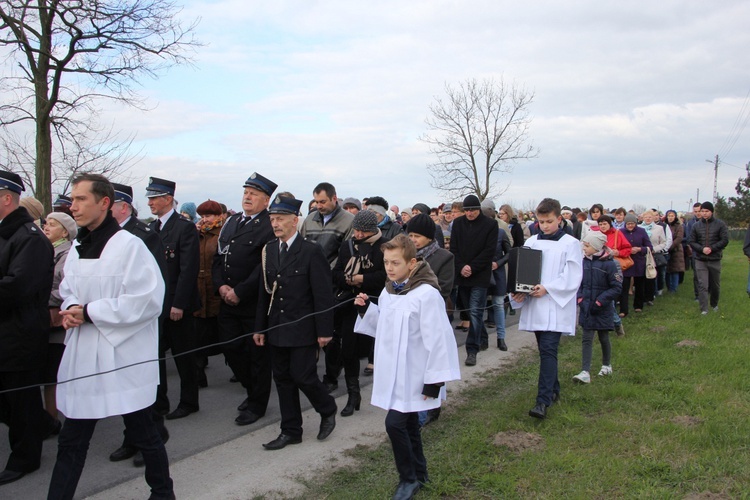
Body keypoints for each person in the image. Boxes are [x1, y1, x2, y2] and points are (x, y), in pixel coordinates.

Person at [47, 173, 173, 500]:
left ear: (104, 203)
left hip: (123, 356)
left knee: (145, 435)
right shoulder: (77, 248)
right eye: (72, 199)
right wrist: (73, 305)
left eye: (80, 199)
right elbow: (70, 287)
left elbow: (148, 299)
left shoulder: (130, 246)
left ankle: (163, 494)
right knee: (72, 440)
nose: (72, 206)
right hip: (84, 355)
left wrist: (90, 312)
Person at [353, 234, 461, 500]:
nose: (389, 268)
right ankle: (420, 473)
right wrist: (367, 309)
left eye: (395, 263)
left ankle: (408, 478)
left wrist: (435, 380)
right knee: (409, 423)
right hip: (394, 374)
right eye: (386, 262)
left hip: (416, 374)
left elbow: (439, 339)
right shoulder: (389, 291)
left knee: (395, 424)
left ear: (412, 263)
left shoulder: (426, 294)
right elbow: (385, 328)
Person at [254, 195, 337, 450]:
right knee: (282, 378)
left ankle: (327, 407)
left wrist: (324, 330)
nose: (275, 224)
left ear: (294, 220)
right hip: (277, 325)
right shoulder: (269, 250)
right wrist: (260, 327)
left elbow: (323, 294)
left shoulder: (311, 251)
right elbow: (264, 291)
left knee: (303, 376)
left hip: (302, 327)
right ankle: (291, 430)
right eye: (272, 219)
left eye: (280, 219)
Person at [108, 182, 169, 466]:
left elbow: (155, 283)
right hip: (115, 318)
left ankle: (153, 436)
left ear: (123, 207)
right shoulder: (105, 237)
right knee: (124, 383)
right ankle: (131, 437)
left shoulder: (142, 235)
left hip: (141, 322)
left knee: (144, 383)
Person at [0, 171, 54, 486]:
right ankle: (42, 424)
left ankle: (25, 457)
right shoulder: (8, 235)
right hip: (6, 330)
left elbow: (17, 287)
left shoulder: (29, 238)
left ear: (7, 198)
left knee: (19, 399)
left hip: (20, 332)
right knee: (11, 401)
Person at [213, 173, 277, 426]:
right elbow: (219, 258)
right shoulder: (231, 223)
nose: (247, 197)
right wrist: (221, 286)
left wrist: (239, 291)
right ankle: (252, 391)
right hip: (227, 299)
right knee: (231, 349)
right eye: (245, 193)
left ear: (266, 200)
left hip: (252, 302)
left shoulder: (269, 225)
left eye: (254, 194)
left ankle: (257, 403)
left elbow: (263, 266)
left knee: (257, 356)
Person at [510, 198, 582, 420]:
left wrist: (548, 289)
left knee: (549, 350)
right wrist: (519, 289)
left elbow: (572, 276)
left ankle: (542, 402)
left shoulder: (570, 243)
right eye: (541, 221)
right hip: (537, 305)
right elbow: (524, 271)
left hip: (556, 305)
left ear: (559, 219)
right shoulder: (532, 242)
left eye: (549, 221)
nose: (545, 226)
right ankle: (554, 389)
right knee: (545, 351)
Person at [147, 177, 201, 420]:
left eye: (154, 198)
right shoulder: (152, 228)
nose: (150, 203)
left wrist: (178, 304)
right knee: (157, 355)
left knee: (183, 356)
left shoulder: (183, 227)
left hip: (178, 304)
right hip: (157, 306)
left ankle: (189, 401)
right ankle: (160, 402)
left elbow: (188, 269)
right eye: (149, 198)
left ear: (168, 199)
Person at [331, 210, 387, 417]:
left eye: (363, 231)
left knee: (377, 350)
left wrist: (361, 279)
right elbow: (336, 272)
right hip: (350, 304)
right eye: (356, 229)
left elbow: (385, 276)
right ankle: (353, 395)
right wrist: (347, 279)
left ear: (373, 230)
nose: (359, 234)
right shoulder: (347, 246)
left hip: (375, 304)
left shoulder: (384, 246)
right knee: (348, 352)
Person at [300, 182, 354, 392]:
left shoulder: (348, 221)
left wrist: (323, 274)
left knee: (332, 335)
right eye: (316, 202)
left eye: (323, 201)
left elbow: (345, 256)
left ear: (334, 198)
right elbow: (302, 248)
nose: (319, 206)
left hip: (333, 284)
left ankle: (331, 377)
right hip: (308, 284)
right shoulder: (309, 220)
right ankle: (306, 374)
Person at [450, 194, 498, 366]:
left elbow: (489, 250)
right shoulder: (458, 223)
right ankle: (482, 336)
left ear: (479, 209)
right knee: (470, 311)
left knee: (476, 311)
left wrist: (472, 267)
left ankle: (472, 349)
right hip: (462, 274)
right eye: (467, 210)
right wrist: (462, 266)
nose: (469, 213)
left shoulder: (490, 225)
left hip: (479, 275)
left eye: (473, 210)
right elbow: (454, 248)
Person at [42, 212, 77, 432]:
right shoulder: (44, 250)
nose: (46, 227)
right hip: (42, 318)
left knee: (52, 373)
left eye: (52, 225)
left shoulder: (67, 254)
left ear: (65, 232)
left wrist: (36, 293)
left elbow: (66, 288)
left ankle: (52, 418)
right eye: (45, 223)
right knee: (47, 373)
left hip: (57, 321)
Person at [572, 231, 622, 384]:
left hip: (602, 308)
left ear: (596, 246)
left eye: (587, 245)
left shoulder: (609, 264)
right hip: (587, 307)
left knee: (603, 337)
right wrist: (580, 297)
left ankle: (606, 365)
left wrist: (600, 301)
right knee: (587, 338)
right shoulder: (583, 262)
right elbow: (579, 282)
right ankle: (585, 371)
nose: (584, 248)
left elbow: (616, 287)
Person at [194, 200, 225, 388]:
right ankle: (198, 377)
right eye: (203, 216)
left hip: (215, 291)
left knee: (223, 336)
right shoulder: (196, 235)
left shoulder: (222, 236)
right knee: (197, 338)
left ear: (219, 217)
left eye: (209, 216)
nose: (205, 220)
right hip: (199, 291)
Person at [689, 201, 729, 314]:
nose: (704, 213)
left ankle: (714, 304)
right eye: (702, 211)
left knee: (715, 284)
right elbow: (691, 241)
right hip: (700, 259)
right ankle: (704, 309)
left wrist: (712, 248)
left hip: (715, 258)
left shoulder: (720, 224)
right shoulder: (696, 226)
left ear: (711, 212)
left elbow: (724, 240)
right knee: (702, 284)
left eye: (707, 211)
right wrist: (702, 249)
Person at [597, 215, 630, 335]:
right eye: (600, 224)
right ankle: (599, 326)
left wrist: (618, 252)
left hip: (612, 266)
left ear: (610, 224)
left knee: (608, 301)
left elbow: (628, 249)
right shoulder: (595, 235)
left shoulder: (617, 234)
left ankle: (616, 323)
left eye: (605, 223)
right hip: (597, 267)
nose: (602, 226)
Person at [618, 214, 652, 316]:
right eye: (628, 224)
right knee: (624, 286)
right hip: (626, 262)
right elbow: (618, 247)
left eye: (632, 224)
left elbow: (649, 247)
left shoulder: (642, 231)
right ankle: (623, 310)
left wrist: (639, 249)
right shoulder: (620, 232)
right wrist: (628, 250)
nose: (630, 226)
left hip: (639, 262)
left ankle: (638, 306)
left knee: (640, 285)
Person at [664, 209, 685, 293]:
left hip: (676, 250)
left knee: (675, 270)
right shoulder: (664, 225)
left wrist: (670, 246)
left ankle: (674, 288)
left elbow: (679, 238)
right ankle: (669, 287)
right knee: (667, 270)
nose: (670, 217)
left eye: (672, 216)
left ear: (675, 217)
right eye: (669, 216)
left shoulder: (679, 226)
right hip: (666, 249)